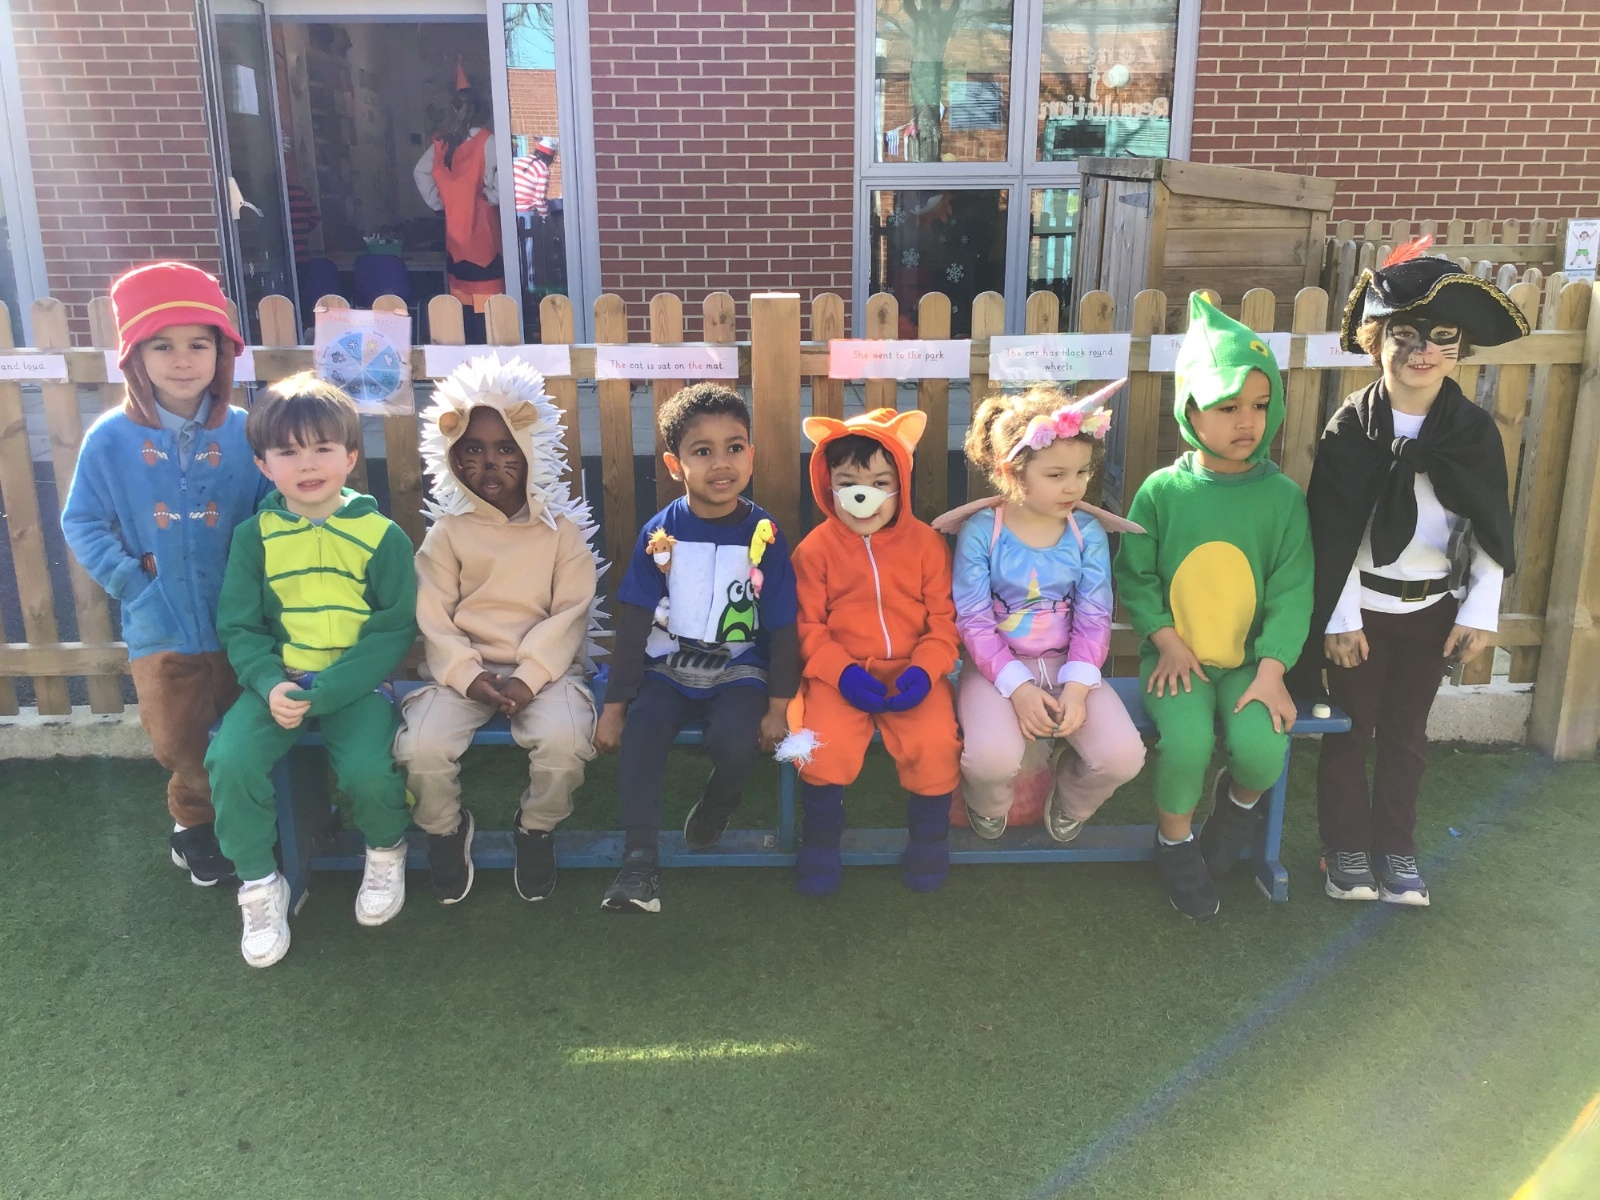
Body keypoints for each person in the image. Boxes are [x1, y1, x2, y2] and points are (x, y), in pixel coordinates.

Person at [1294, 240, 1527, 907]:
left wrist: (1479, 611)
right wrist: (1339, 618)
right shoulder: (1350, 427)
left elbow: (1491, 524)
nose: (1422, 351)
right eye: (1406, 335)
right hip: (1361, 613)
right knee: (1349, 732)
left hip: (1432, 611)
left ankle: (1396, 849)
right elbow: (1330, 532)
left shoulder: (1471, 431)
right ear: (1377, 341)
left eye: (1441, 338)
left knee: (1407, 736)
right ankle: (1344, 847)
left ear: (1461, 348)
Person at [61, 261, 268, 888]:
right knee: (178, 737)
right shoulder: (110, 439)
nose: (182, 360)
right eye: (162, 345)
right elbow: (82, 521)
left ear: (222, 353)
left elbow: (272, 511)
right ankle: (193, 824)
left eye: (198, 344)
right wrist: (134, 585)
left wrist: (261, 587)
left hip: (240, 622)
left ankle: (253, 822)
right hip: (160, 624)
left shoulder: (246, 433)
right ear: (135, 357)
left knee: (243, 727)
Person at [205, 374, 418, 967]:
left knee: (369, 772)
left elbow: (394, 628)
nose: (307, 464)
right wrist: (269, 682)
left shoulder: (383, 536)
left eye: (322, 448)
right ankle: (258, 882)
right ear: (263, 464)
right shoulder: (254, 537)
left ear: (350, 456)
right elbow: (240, 626)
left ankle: (386, 850)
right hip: (278, 684)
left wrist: (329, 691)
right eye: (287, 451)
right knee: (229, 760)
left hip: (357, 687)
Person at [1113, 294, 1313, 920]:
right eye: (1228, 407)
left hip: (1251, 666)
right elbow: (1136, 575)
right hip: (1177, 661)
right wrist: (1165, 640)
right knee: (1188, 743)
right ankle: (1175, 844)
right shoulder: (1162, 492)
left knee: (1263, 747)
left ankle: (1237, 807)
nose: (1247, 421)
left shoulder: (1283, 499)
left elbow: (1293, 589)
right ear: (1191, 410)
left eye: (1260, 404)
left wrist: (1273, 670)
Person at [393, 356, 600, 905]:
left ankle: (536, 828)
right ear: (451, 456)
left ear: (532, 449)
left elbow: (571, 613)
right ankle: (444, 829)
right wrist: (468, 675)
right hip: (462, 673)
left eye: (507, 448)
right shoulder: (447, 534)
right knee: (421, 748)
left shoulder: (561, 534)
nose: (489, 463)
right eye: (472, 449)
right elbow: (433, 615)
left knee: (565, 744)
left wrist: (530, 677)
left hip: (546, 674)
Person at [592, 383, 798, 913]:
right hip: (670, 667)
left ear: (751, 455)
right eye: (702, 451)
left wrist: (779, 707)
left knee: (736, 742)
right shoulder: (660, 533)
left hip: (739, 671)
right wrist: (614, 709)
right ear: (674, 464)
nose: (721, 463)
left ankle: (719, 800)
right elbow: (634, 624)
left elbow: (782, 627)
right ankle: (639, 861)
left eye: (734, 447)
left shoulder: (766, 535)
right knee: (642, 733)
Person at [932, 381, 1146, 847]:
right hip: (995, 670)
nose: (1075, 486)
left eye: (1083, 471)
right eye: (1056, 474)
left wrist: (1078, 687)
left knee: (1123, 756)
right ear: (1012, 471)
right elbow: (973, 619)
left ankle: (1071, 796)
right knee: (990, 761)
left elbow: (1094, 615)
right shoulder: (982, 531)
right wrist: (1019, 687)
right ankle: (987, 803)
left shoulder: (1086, 531)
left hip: (1070, 667)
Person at [778, 408, 962, 895]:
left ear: (902, 485)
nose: (865, 496)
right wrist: (840, 673)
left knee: (935, 743)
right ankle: (821, 841)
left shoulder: (927, 545)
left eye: (881, 482)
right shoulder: (814, 551)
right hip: (839, 677)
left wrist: (926, 669)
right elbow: (806, 626)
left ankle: (929, 840)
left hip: (912, 673)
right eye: (848, 483)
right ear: (828, 486)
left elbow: (944, 621)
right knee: (824, 746)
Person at [413, 67, 502, 341]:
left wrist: (441, 202)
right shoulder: (487, 142)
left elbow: (420, 172)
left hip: (455, 246)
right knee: (491, 320)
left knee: (464, 318)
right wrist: (492, 196)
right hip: (485, 244)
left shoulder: (442, 144)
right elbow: (504, 183)